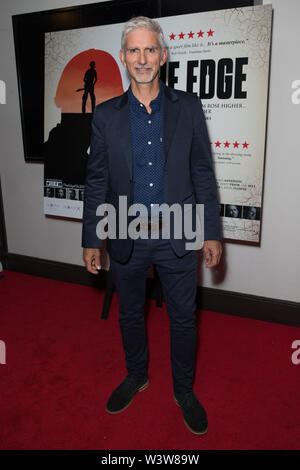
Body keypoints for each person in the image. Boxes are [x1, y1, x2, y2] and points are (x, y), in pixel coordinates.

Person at [82, 17, 222, 435]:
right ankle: (136, 374)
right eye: (133, 51)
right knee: (130, 315)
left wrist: (211, 230)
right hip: (125, 231)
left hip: (177, 230)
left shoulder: (188, 107)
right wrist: (92, 237)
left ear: (162, 55)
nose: (142, 59)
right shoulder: (106, 116)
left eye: (149, 50)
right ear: (123, 57)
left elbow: (202, 171)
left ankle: (183, 390)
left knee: (183, 318)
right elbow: (97, 180)